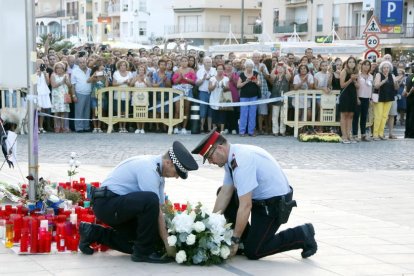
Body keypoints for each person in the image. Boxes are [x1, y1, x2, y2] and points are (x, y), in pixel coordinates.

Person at [192, 129, 317, 260]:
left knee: (254, 251)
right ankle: (245, 240)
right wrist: (211, 224)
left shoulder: (241, 160)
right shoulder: (231, 158)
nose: (211, 162)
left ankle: (302, 234)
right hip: (259, 200)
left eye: (210, 157)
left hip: (273, 204)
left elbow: (246, 205)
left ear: (220, 148)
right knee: (222, 193)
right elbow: (225, 192)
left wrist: (234, 240)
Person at [79, 141, 199, 263]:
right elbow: (155, 208)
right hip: (107, 204)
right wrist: (168, 243)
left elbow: (162, 209)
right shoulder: (149, 169)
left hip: (117, 205)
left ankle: (93, 232)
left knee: (136, 243)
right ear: (168, 163)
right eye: (177, 172)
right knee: (151, 200)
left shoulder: (159, 172)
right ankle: (143, 253)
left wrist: (174, 229)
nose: (177, 177)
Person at [373, 60, 399, 141]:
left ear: (390, 68)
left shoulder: (392, 75)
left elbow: (396, 88)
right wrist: (383, 81)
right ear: (381, 68)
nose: (386, 69)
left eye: (387, 67)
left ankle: (381, 134)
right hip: (380, 98)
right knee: (378, 116)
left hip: (389, 98)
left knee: (384, 117)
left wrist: (396, 83)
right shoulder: (378, 74)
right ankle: (375, 134)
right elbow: (376, 86)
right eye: (384, 68)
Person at [237, 59, 261, 137]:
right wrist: (245, 82)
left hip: (254, 96)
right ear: (246, 67)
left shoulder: (256, 74)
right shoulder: (242, 74)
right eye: (248, 67)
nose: (250, 68)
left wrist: (256, 82)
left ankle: (251, 131)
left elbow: (260, 84)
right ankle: (242, 131)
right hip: (244, 97)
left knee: (252, 114)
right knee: (243, 114)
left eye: (251, 67)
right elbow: (238, 85)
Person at [338, 57, 359, 144]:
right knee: (344, 114)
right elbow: (342, 85)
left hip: (353, 94)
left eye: (353, 62)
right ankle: (344, 135)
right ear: (347, 63)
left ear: (355, 63)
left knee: (350, 115)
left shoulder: (356, 72)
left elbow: (358, 86)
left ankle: (349, 135)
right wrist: (350, 79)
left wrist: (354, 81)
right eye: (349, 62)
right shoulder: (344, 71)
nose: (351, 63)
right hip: (345, 95)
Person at [352, 60, 373, 142]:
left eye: (368, 65)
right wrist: (357, 98)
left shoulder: (371, 76)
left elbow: (371, 88)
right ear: (361, 66)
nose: (366, 66)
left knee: (364, 117)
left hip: (366, 98)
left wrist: (370, 98)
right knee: (356, 117)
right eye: (365, 65)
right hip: (359, 97)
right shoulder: (358, 75)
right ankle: (354, 134)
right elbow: (356, 87)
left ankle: (363, 134)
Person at [403, 70, 414, 138]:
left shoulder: (409, 76)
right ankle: (411, 133)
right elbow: (413, 87)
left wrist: (406, 93)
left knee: (408, 115)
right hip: (412, 97)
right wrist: (409, 93)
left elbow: (405, 86)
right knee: (412, 116)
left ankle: (407, 133)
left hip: (409, 99)